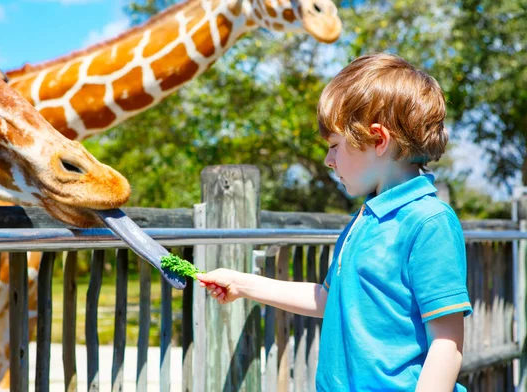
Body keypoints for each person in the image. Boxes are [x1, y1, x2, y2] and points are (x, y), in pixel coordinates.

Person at [196, 52, 473, 391]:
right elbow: (330, 299)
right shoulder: (364, 219)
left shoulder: (430, 221)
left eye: (335, 146)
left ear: (378, 140)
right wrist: (242, 284)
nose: (328, 160)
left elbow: (447, 345)